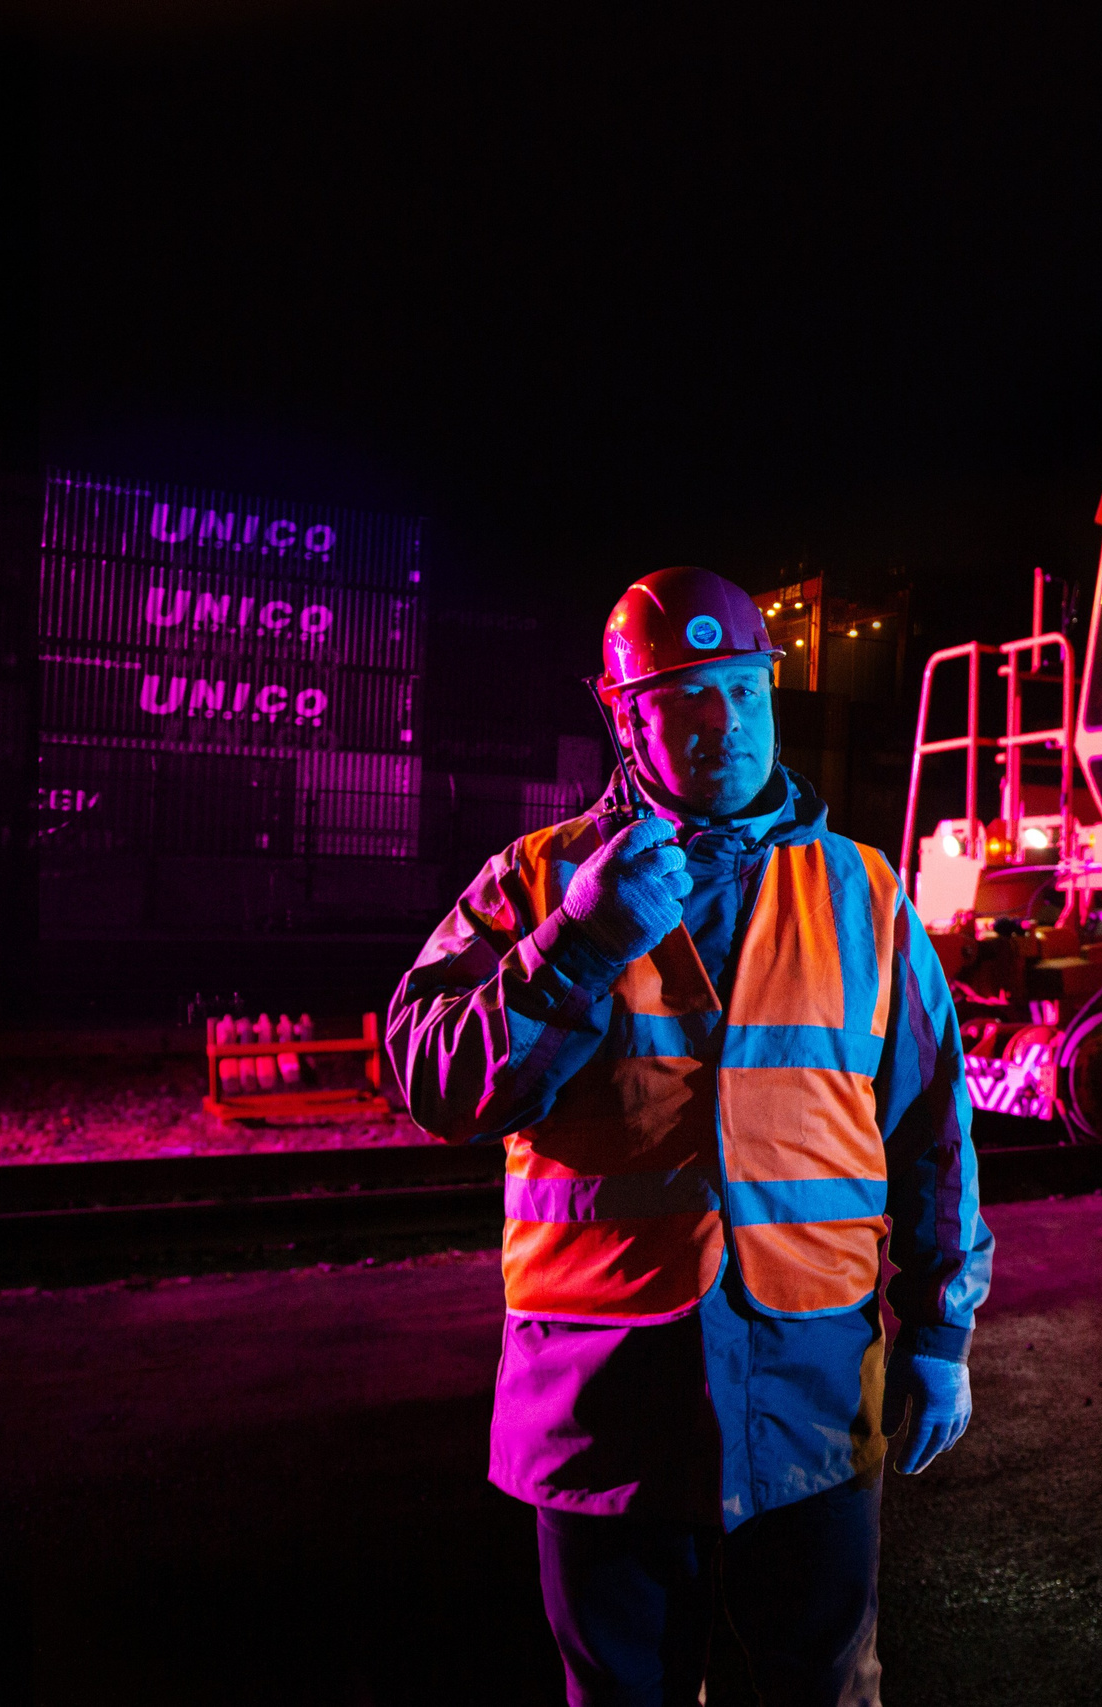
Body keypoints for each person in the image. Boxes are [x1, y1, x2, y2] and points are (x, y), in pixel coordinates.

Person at [387, 566, 991, 1706]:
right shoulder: (536, 882)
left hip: (809, 1393)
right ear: (624, 719)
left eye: (742, 689)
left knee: (820, 1689)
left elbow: (931, 1126)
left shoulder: (862, 891)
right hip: (608, 1406)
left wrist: (942, 1329)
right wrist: (574, 945)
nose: (724, 722)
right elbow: (431, 1080)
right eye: (684, 698)